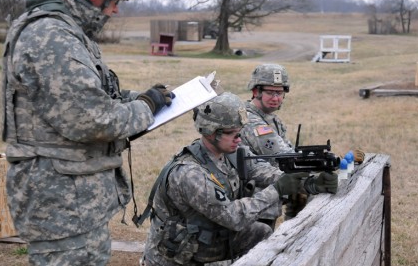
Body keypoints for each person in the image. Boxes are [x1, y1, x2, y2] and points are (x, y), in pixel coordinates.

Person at [1, 0, 174, 265]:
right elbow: (91, 119)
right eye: (115, 0)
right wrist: (145, 108)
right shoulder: (52, 36)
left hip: (73, 202)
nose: (115, 10)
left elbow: (91, 96)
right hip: (61, 204)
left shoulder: (67, 32)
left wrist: (135, 98)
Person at [141, 92, 309, 266]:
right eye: (233, 134)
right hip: (177, 257)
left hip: (203, 239)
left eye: (240, 133)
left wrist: (305, 183)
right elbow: (234, 217)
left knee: (260, 232)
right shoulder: (190, 174)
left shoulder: (230, 152)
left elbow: (260, 170)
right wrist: (278, 190)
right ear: (212, 133)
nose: (239, 139)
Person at [240, 64, 338, 221]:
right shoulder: (251, 120)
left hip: (270, 190)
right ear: (256, 92)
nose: (275, 98)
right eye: (270, 92)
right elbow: (281, 155)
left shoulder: (271, 119)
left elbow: (290, 152)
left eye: (279, 92)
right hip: (253, 199)